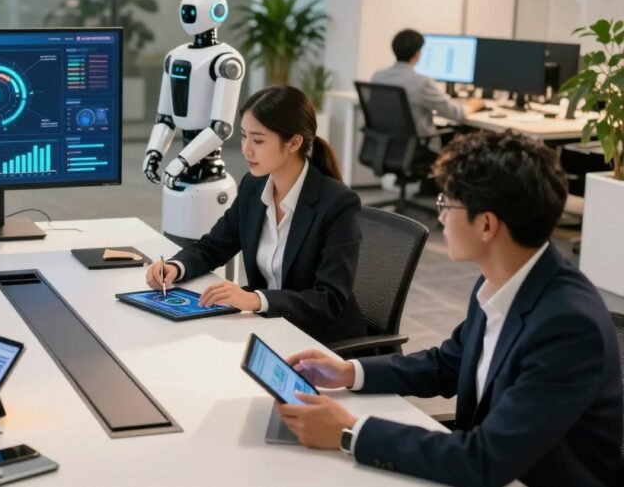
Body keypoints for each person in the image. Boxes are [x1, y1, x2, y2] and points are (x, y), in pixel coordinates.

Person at [274, 131, 623, 487]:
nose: (440, 217)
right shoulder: (499, 282)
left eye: (446, 204)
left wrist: (349, 432)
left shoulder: (567, 325)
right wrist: (348, 372)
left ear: (487, 224)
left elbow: (485, 460)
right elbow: (446, 364)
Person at [146, 86, 366, 344]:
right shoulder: (254, 187)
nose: (246, 149)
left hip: (321, 342)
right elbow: (213, 246)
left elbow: (328, 299)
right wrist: (175, 266)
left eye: (258, 140)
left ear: (294, 142)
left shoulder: (337, 203)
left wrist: (255, 299)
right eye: (243, 136)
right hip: (271, 328)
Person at [372, 29, 485, 139]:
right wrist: (475, 104)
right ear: (418, 53)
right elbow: (456, 114)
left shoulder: (378, 77)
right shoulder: (422, 83)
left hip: (386, 147)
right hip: (419, 147)